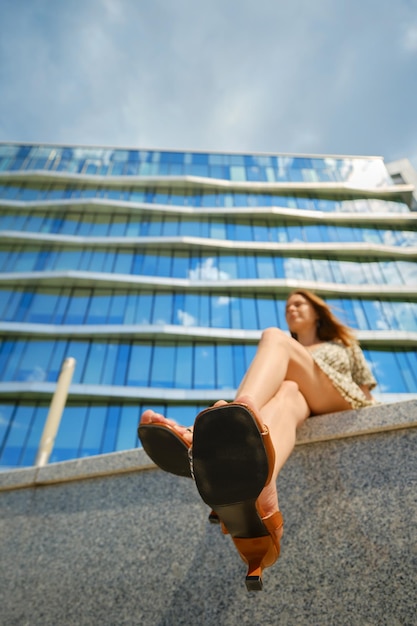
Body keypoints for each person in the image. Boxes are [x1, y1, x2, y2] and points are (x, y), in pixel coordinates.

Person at [138, 289, 377, 591]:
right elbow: (287, 390)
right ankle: (260, 483)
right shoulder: (284, 369)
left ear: (317, 312)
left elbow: (366, 392)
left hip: (340, 398)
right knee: (288, 390)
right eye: (288, 305)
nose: (292, 309)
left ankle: (228, 427)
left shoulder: (341, 344)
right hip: (300, 401)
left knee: (274, 337)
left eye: (299, 304)